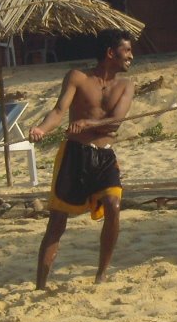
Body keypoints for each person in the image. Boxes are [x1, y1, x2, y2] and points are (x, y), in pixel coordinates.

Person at [29, 29, 135, 290]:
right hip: (76, 155)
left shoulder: (126, 85)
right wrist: (42, 129)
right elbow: (58, 111)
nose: (131, 56)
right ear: (111, 53)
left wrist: (89, 123)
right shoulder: (77, 77)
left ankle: (101, 275)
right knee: (57, 221)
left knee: (113, 205)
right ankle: (41, 284)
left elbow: (115, 123)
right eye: (127, 50)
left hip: (105, 155)